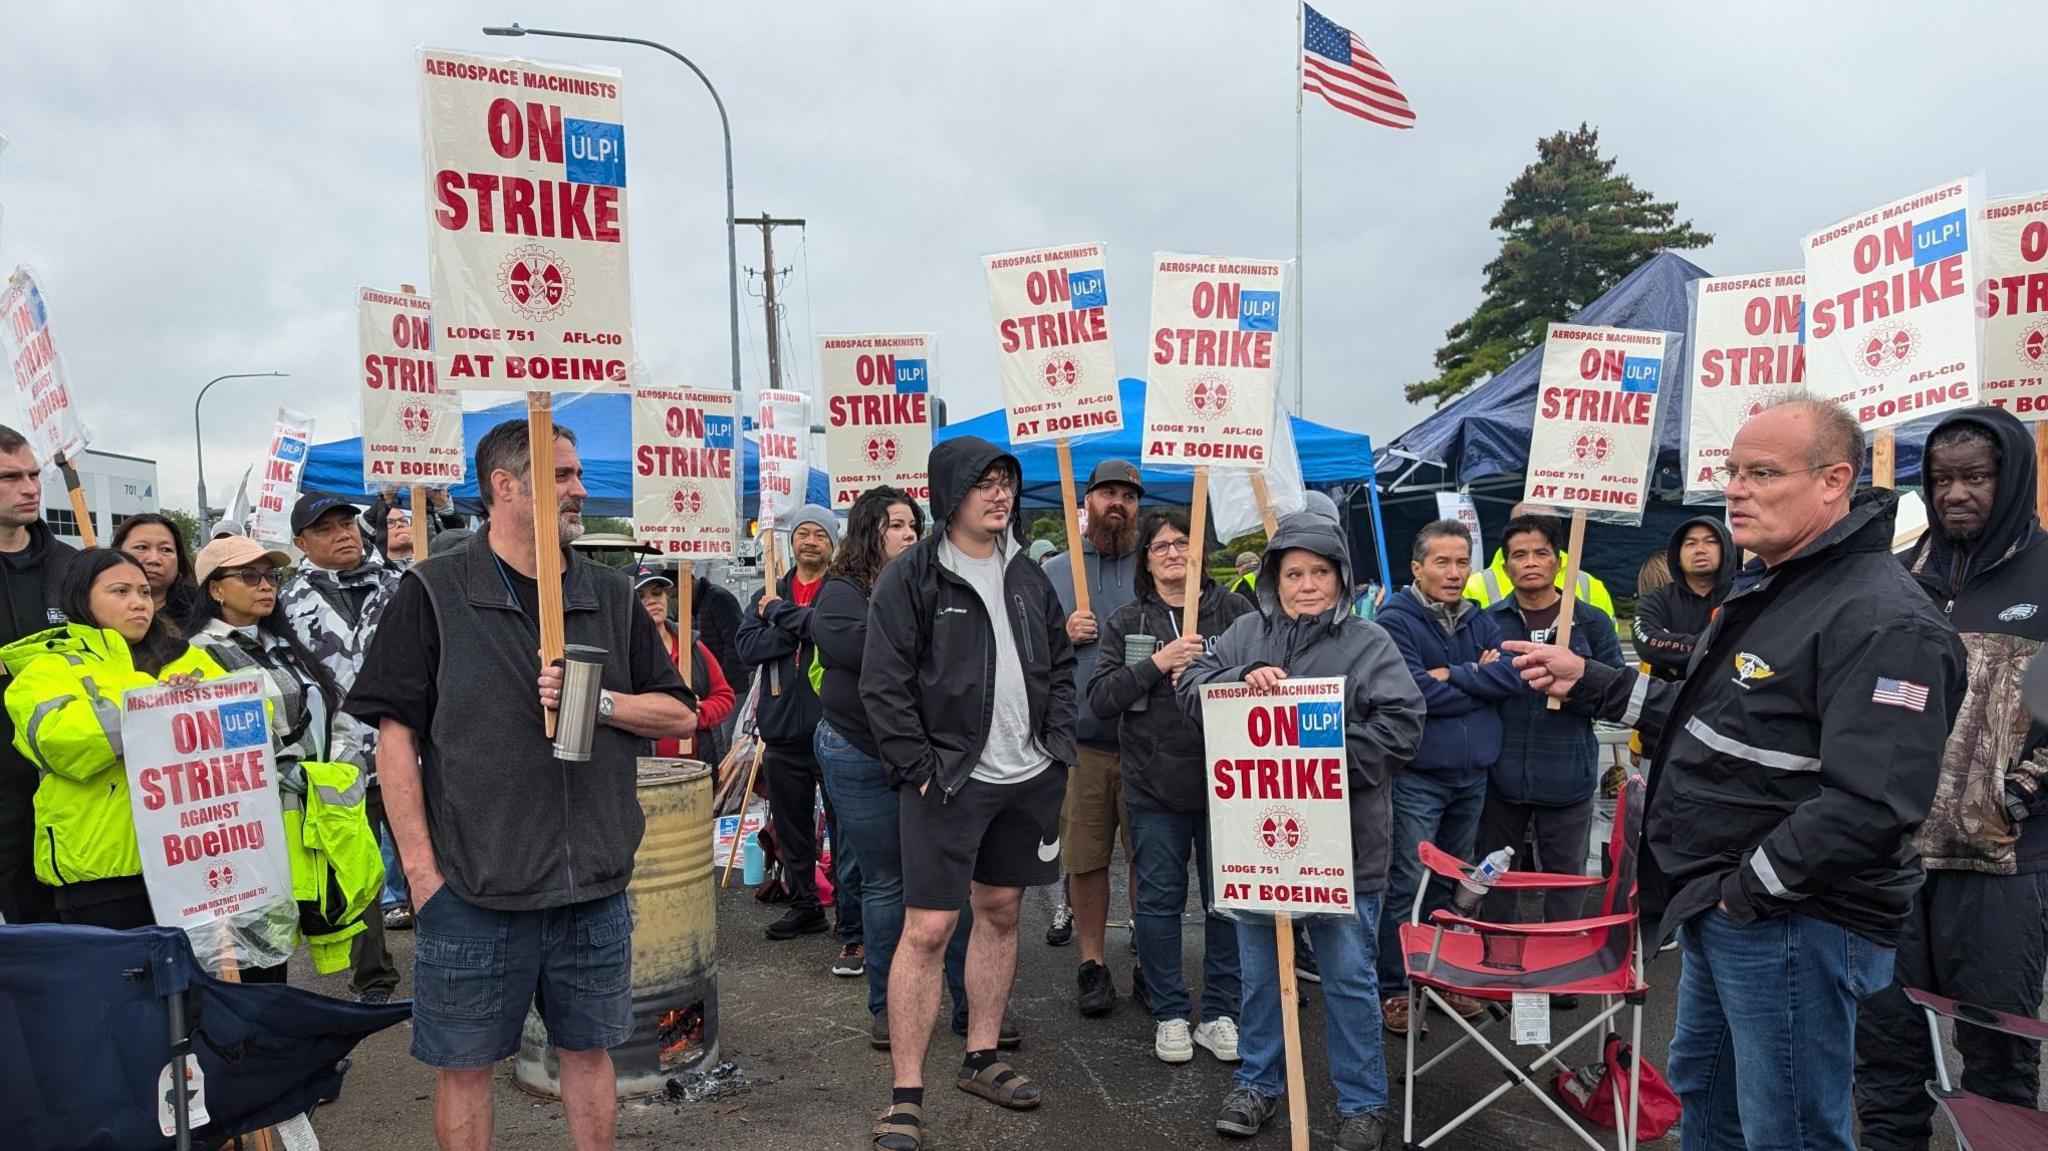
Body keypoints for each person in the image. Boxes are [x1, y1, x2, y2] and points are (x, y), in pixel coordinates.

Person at [1506, 395, 1965, 1151]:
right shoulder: (1776, 582)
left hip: (1791, 917)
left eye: (1762, 471)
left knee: (1786, 1128)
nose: (1736, 488)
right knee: (1707, 1101)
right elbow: (1710, 717)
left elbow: (1873, 803)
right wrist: (1589, 677)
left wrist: (1743, 893)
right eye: (1731, 469)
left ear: (1834, 480)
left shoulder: (1887, 619)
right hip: (1726, 905)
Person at [345, 419, 697, 1151]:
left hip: (593, 886)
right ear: (504, 486)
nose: (580, 489)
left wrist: (596, 699)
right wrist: (420, 874)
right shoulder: (434, 590)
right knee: (465, 1066)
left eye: (576, 474)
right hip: (475, 890)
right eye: (561, 475)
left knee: (589, 1051)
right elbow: (395, 740)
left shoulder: (612, 593)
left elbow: (676, 710)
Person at [1179, 511, 1427, 1149]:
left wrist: (1322, 761)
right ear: (1273, 579)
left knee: (1349, 976)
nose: (1307, 584)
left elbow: (1403, 723)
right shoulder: (1240, 633)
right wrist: (1239, 680)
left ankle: (1363, 1102)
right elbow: (1190, 686)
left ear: (1341, 578)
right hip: (1259, 846)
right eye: (1294, 572)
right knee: (1262, 972)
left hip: (1345, 846)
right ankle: (1260, 1084)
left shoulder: (1370, 643)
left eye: (1320, 572)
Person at [861, 436, 1074, 1151]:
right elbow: (881, 683)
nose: (999, 495)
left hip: (1028, 774)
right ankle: (906, 1093)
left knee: (1003, 909)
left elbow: (1061, 661)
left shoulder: (1027, 572)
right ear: (949, 491)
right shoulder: (913, 576)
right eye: (983, 483)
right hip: (947, 781)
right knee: (926, 929)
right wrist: (919, 766)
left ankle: (982, 1055)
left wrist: (1058, 742)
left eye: (1006, 482)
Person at [1856, 406, 2048, 1151]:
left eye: (1976, 476)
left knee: (1998, 1053)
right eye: (1941, 479)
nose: (1955, 493)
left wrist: (2022, 791)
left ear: (2014, 477)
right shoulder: (1899, 577)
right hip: (1893, 857)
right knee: (1887, 1042)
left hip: (2003, 860)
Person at [813, 486, 988, 1050]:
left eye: (915, 524)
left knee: (950, 884)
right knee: (888, 882)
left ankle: (970, 1004)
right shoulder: (840, 594)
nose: (910, 534)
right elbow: (877, 653)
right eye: (895, 525)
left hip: (931, 756)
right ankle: (890, 1009)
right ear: (869, 532)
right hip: (860, 754)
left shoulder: (935, 583)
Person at [1087, 509, 1253, 1065]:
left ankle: (1223, 1012)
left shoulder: (1236, 611)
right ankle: (1171, 1012)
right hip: (1153, 786)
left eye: (1184, 542)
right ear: (1146, 558)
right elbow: (1102, 697)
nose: (1174, 553)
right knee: (1158, 901)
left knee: (1227, 902)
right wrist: (1157, 663)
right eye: (1161, 546)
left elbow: (1268, 675)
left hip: (1228, 785)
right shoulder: (1127, 621)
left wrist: (1214, 671)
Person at [185, 534, 384, 979]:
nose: (265, 585)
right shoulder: (195, 657)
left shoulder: (287, 646)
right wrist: (291, 773)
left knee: (281, 954)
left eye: (272, 576)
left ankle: (281, 1045)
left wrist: (338, 772)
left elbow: (337, 716)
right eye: (249, 576)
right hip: (254, 830)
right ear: (215, 588)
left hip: (311, 820)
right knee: (253, 958)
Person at [1, 549, 231, 930]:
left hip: (192, 858)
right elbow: (60, 741)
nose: (138, 603)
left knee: (200, 987)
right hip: (101, 871)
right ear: (80, 597)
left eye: (143, 592)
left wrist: (193, 702)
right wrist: (156, 703)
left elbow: (250, 717)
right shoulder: (48, 665)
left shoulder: (184, 656)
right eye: (120, 591)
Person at [1372, 519, 1523, 1033]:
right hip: (1420, 773)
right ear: (1417, 568)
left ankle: (1440, 981)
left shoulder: (1480, 618)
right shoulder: (1394, 620)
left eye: (1463, 562)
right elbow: (1413, 694)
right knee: (1408, 884)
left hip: (1473, 773)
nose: (1455, 572)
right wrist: (1476, 676)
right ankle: (1394, 988)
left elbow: (1509, 678)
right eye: (1443, 562)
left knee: (1456, 883)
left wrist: (1454, 675)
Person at [279, 493, 409, 998]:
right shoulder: (286, 605)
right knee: (358, 873)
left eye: (348, 524)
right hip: (337, 762)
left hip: (406, 750)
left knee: (430, 859)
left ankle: (450, 962)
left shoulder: (400, 587)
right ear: (301, 543)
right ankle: (373, 975)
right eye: (326, 528)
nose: (343, 534)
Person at [1478, 515, 1623, 931]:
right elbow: (1473, 687)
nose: (1530, 562)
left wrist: (1574, 689)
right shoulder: (1487, 622)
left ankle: (1559, 970)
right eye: (1518, 555)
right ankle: (1497, 964)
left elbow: (1615, 692)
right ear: (1505, 567)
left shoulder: (1589, 621)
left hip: (1567, 772)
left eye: (1541, 552)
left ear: (1559, 561)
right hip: (1499, 776)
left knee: (1565, 879)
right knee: (1495, 876)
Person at [1040, 458, 1142, 1017]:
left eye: (1128, 494)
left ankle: (1150, 959)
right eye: (1108, 492)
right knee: (1085, 860)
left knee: (1149, 859)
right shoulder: (1058, 571)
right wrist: (1062, 632)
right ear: (1089, 502)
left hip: (1150, 744)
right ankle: (1093, 962)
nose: (1117, 503)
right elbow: (1026, 648)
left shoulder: (1156, 565)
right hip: (1082, 745)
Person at [736, 503, 862, 958]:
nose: (810, 541)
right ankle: (805, 902)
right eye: (803, 534)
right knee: (791, 826)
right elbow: (746, 647)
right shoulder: (769, 591)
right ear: (791, 541)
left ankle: (851, 915)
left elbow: (837, 636)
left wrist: (787, 619)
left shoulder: (840, 591)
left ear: (833, 544)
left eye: (820, 535)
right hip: (782, 731)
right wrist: (795, 627)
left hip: (836, 730)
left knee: (846, 827)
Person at [0, 425, 77, 925]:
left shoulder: (75, 566)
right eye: (11, 477)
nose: (30, 488)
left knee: (76, 945)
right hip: (4, 795)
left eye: (34, 474)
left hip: (74, 787)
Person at [632, 565, 735, 765]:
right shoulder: (621, 653)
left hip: (695, 770)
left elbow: (725, 697)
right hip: (643, 775)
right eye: (640, 596)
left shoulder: (691, 646)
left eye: (657, 592)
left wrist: (698, 713)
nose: (652, 600)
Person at [1461, 501, 1615, 616]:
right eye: (1524, 524)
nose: (1531, 562)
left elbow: (1605, 650)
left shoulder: (1589, 585)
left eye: (1545, 525)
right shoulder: (1475, 586)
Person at [1631, 516, 1734, 682]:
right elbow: (1647, 644)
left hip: (1728, 702)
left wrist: (1674, 657)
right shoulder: (1656, 601)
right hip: (1670, 703)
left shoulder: (1744, 597)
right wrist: (1716, 648)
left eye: (1710, 542)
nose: (1700, 549)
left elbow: (1751, 648)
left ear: (1726, 549)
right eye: (1691, 543)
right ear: (1677, 555)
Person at [112, 512, 199, 631]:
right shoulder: (94, 612)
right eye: (142, 547)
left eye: (166, 549)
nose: (154, 559)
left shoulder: (202, 618)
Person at [365, 486, 463, 564]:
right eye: (390, 522)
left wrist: (444, 507)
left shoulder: (433, 566)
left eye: (404, 521)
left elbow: (464, 543)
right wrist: (385, 499)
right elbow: (361, 534)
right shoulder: (374, 569)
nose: (400, 524)